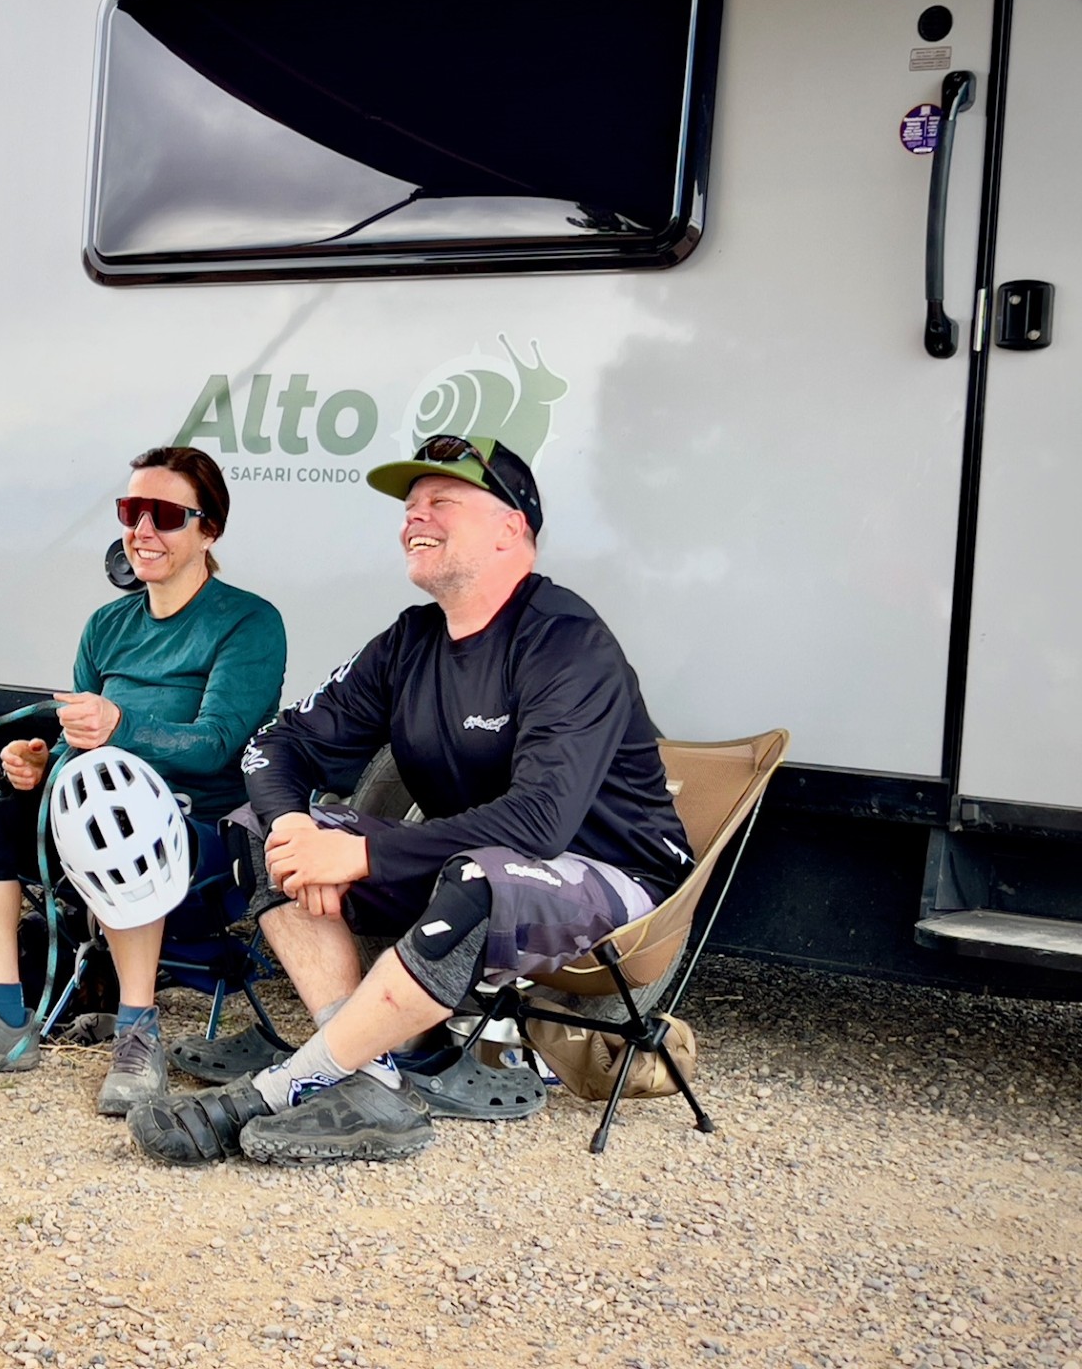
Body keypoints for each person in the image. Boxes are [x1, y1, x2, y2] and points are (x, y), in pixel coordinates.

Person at [128, 434, 694, 1166]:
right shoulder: (410, 640)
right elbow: (276, 742)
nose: (413, 518)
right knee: (257, 830)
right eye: (410, 505)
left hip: (614, 880)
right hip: (478, 862)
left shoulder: (567, 640)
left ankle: (280, 1088)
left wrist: (362, 850)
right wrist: (299, 827)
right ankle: (366, 1076)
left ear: (509, 528)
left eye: (441, 502)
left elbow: (541, 821)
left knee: (477, 877)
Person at [0, 446, 286, 1116]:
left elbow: (221, 746)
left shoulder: (248, 622)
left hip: (196, 841)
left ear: (208, 530)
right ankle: (3, 1014)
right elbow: (84, 740)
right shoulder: (108, 624)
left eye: (165, 515)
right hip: (94, 816)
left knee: (112, 797)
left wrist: (117, 728)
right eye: (132, 512)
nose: (143, 531)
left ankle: (137, 1030)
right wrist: (44, 764)